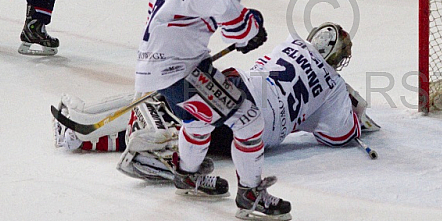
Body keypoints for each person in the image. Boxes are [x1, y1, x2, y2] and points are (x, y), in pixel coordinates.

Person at [52, 23, 379, 178]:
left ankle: (80, 123)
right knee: (173, 119)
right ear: (338, 60)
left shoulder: (291, 44)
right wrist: (353, 107)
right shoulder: (335, 86)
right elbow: (340, 136)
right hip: (251, 127)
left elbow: (262, 69)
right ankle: (92, 136)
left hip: (237, 84)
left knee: (165, 99)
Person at [137, 0, 290, 221]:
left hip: (156, 65)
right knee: (249, 120)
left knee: (199, 120)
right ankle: (251, 194)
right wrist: (254, 27)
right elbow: (239, 31)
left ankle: (187, 175)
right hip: (179, 70)